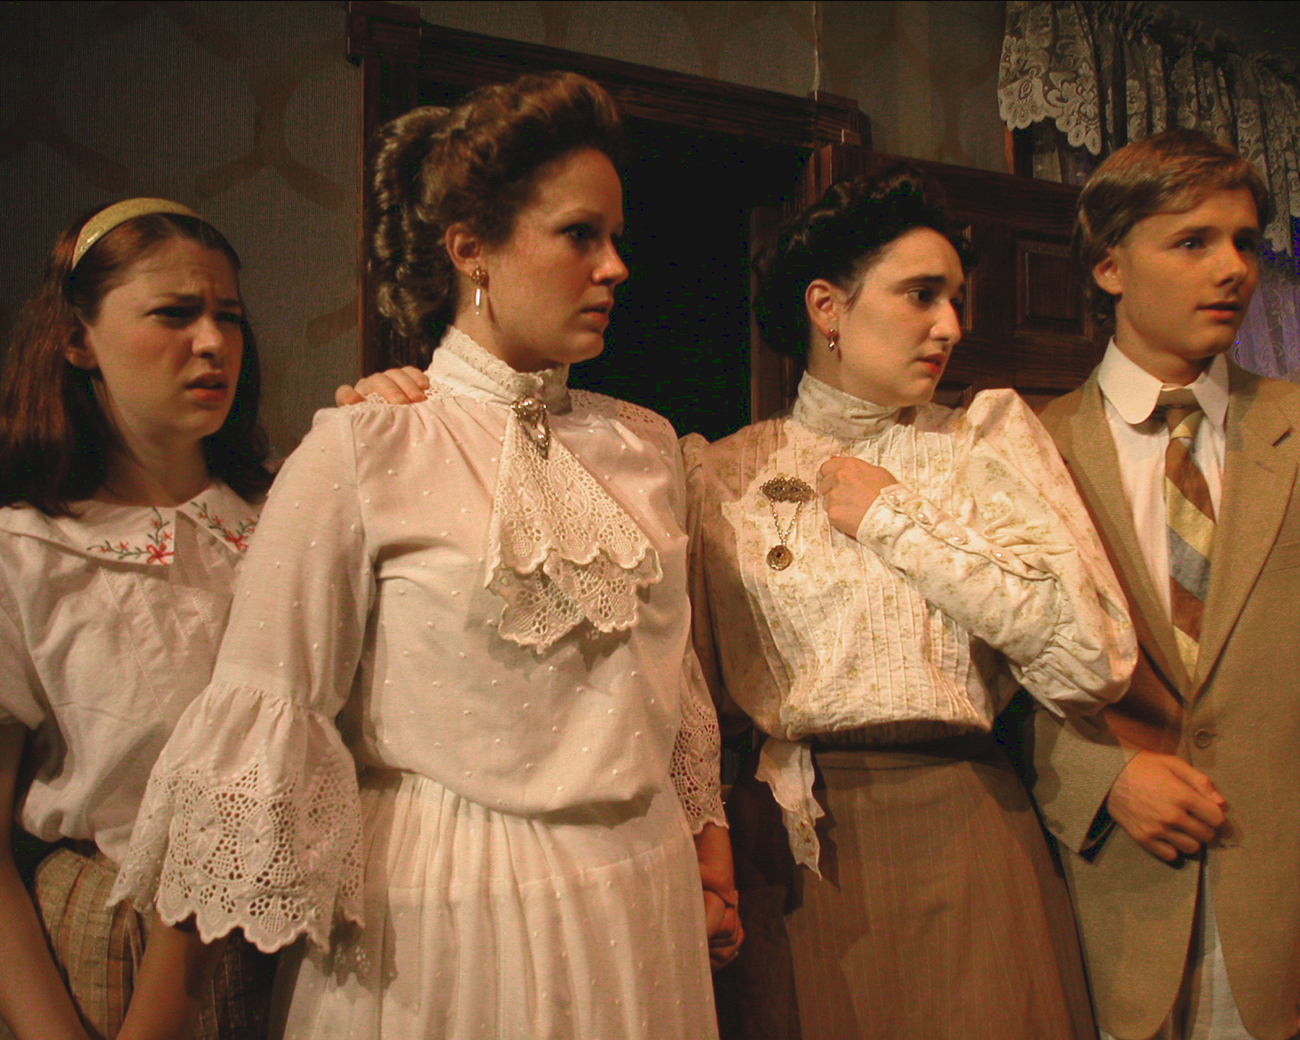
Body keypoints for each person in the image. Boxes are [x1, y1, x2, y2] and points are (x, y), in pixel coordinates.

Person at [112, 71, 739, 1039]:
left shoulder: (645, 444)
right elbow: (265, 710)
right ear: (471, 248)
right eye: (580, 234)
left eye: (617, 237)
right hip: (450, 917)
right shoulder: (366, 446)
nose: (615, 266)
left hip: (637, 902)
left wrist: (707, 855)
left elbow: (668, 681)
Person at [684, 167, 1136, 1040]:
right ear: (827, 307)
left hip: (966, 829)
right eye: (922, 295)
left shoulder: (982, 443)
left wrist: (895, 519)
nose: (951, 326)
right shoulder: (722, 473)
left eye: (956, 300)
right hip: (789, 852)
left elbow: (1093, 656)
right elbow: (688, 705)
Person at [1032, 128, 1300, 1040]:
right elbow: (989, 682)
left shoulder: (1292, 427)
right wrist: (1099, 779)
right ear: (1109, 266)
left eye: (1245, 243)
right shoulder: (1027, 449)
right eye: (1193, 242)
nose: (1233, 269)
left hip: (1283, 901)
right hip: (1109, 903)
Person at [0, 199, 278, 1040]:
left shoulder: (283, 522)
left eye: (228, 316)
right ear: (76, 338)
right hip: (107, 943)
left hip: (287, 936)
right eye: (174, 313)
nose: (212, 342)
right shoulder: (29, 552)